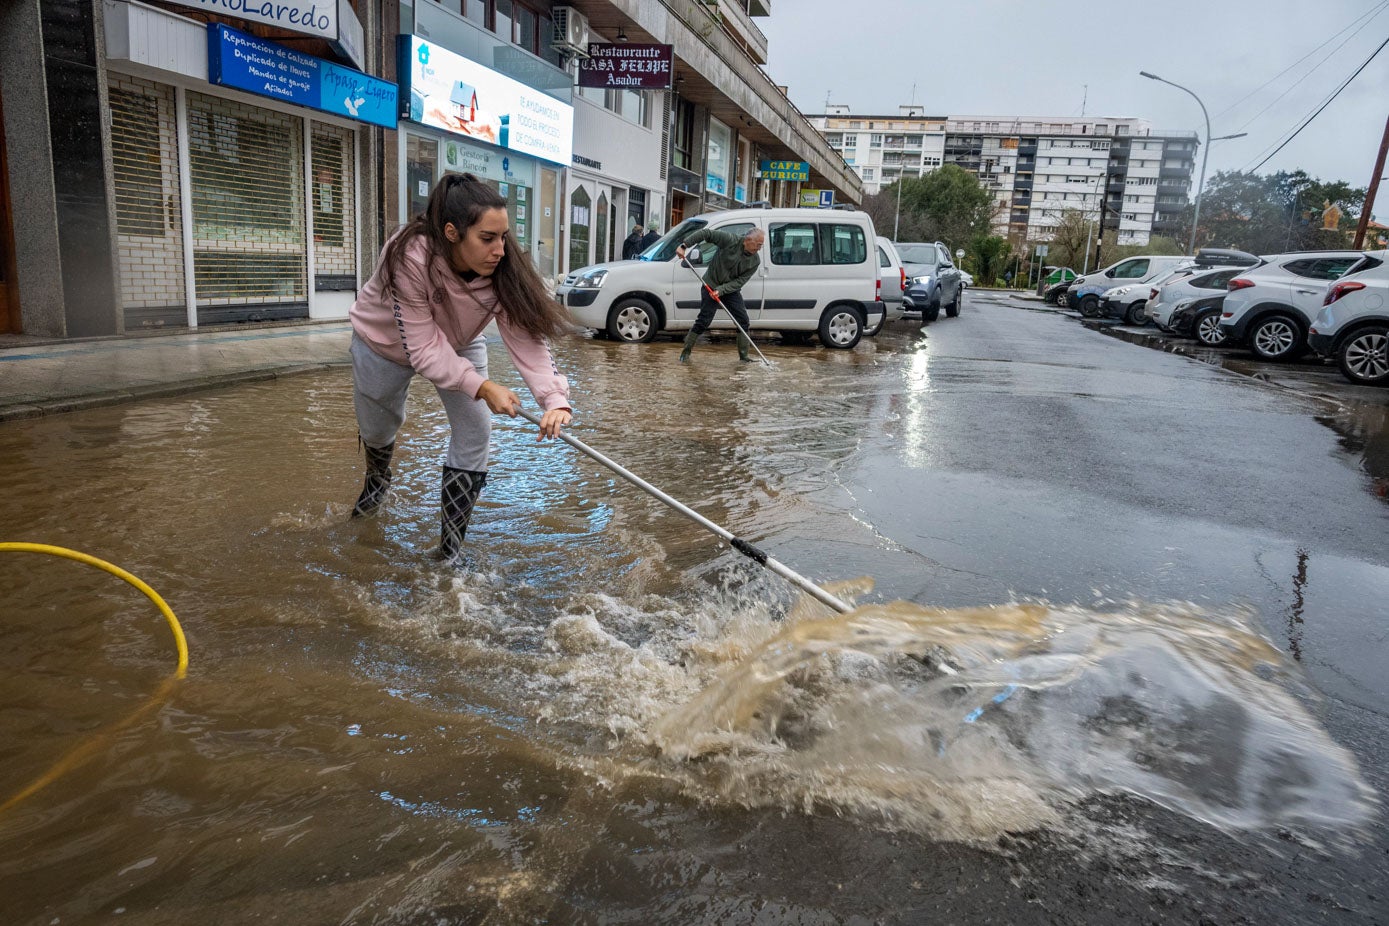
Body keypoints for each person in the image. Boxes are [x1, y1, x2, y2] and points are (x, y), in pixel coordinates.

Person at [347, 172, 573, 564]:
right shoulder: (409, 256)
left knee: (476, 429)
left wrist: (555, 399)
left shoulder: (502, 266)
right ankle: (377, 480)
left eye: (503, 237)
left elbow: (527, 339)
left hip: (460, 341)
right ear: (452, 233)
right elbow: (423, 348)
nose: (500, 249)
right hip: (383, 346)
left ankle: (448, 550)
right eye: (487, 238)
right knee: (379, 429)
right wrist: (484, 387)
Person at [674, 226, 765, 362]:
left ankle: (744, 356)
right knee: (704, 320)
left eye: (761, 246)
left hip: (730, 290)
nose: (759, 249)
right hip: (710, 285)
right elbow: (706, 233)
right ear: (748, 240)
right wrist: (684, 245)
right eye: (758, 245)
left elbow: (740, 281)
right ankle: (685, 353)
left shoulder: (755, 261)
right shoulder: (729, 240)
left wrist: (721, 290)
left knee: (743, 321)